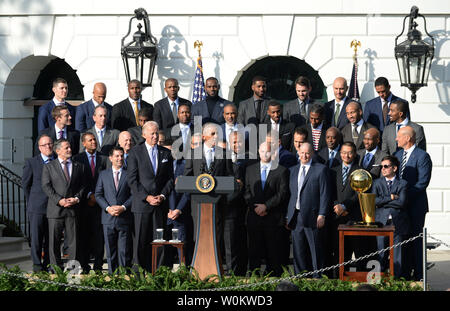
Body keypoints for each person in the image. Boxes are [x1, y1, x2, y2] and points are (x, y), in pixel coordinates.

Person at [127, 121, 174, 273]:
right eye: (152, 133)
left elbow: (170, 179)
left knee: (159, 240)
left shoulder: (165, 153)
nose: (155, 136)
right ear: (144, 135)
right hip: (142, 205)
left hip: (159, 205)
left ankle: (158, 273)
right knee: (141, 240)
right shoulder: (135, 152)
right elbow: (132, 180)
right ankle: (139, 274)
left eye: (156, 133)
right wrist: (147, 197)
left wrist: (161, 195)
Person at [244, 141, 289, 277]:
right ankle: (253, 278)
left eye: (268, 151)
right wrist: (255, 207)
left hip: (273, 218)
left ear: (273, 153)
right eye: (262, 151)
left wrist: (266, 206)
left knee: (273, 252)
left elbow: (282, 193)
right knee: (254, 252)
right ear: (258, 151)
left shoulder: (282, 170)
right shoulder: (250, 169)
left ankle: (272, 279)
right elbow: (246, 192)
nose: (265, 154)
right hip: (254, 217)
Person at [41, 139, 87, 271]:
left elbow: (83, 186)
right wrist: (59, 200)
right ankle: (56, 270)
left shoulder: (79, 166)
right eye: (66, 148)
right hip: (56, 210)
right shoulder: (49, 167)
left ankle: (73, 271)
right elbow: (46, 186)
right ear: (58, 150)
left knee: (74, 242)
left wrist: (77, 198)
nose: (69, 150)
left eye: (70, 147)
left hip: (73, 210)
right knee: (54, 242)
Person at [286, 142, 330, 277]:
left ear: (312, 154)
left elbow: (325, 194)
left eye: (307, 153)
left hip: (313, 216)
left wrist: (322, 214)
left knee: (315, 250)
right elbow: (290, 195)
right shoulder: (292, 170)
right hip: (296, 216)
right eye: (302, 152)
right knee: (298, 251)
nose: (304, 155)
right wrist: (288, 216)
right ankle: (300, 278)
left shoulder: (320, 169)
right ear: (298, 153)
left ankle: (318, 279)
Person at [394, 126, 432, 281]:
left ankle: (418, 276)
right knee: (402, 240)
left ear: (407, 138)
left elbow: (422, 183)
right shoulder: (397, 155)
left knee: (415, 240)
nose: (396, 139)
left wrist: (402, 196)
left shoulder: (422, 156)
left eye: (399, 136)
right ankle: (403, 273)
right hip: (400, 208)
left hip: (415, 206)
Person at [328, 142, 366, 276]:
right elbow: (329, 192)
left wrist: (345, 206)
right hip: (336, 217)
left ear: (355, 154)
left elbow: (360, 193)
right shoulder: (333, 170)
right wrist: (337, 206)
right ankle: (338, 280)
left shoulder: (360, 171)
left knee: (356, 250)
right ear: (340, 154)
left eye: (349, 152)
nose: (346, 155)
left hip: (353, 217)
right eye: (344, 152)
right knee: (338, 251)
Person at [73, 132, 108, 273]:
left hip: (100, 204)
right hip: (84, 204)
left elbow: (107, 179)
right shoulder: (77, 159)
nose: (93, 142)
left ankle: (99, 266)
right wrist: (88, 195)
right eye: (90, 140)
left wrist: (97, 196)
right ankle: (85, 265)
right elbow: (77, 181)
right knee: (84, 236)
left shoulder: (104, 159)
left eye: (94, 139)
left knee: (99, 237)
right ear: (84, 143)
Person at [95, 146, 133, 274]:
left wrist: (123, 207)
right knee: (110, 251)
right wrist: (108, 208)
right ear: (110, 158)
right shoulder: (103, 174)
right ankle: (112, 277)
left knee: (124, 250)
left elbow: (134, 195)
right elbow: (98, 194)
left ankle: (125, 277)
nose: (120, 158)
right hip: (108, 218)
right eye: (117, 156)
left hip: (124, 217)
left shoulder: (129, 174)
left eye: (121, 156)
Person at [371, 155, 409, 278]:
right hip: (381, 221)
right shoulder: (376, 183)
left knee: (397, 253)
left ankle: (396, 279)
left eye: (386, 166)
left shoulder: (403, 183)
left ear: (394, 168)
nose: (383, 169)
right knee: (381, 251)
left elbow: (402, 202)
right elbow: (374, 201)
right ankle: (380, 278)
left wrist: (383, 201)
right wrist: (391, 197)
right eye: (382, 166)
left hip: (397, 221)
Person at [22, 134, 54, 272]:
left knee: (51, 238)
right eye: (45, 145)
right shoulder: (32, 162)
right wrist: (32, 202)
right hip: (37, 207)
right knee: (36, 237)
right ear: (39, 148)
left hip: (53, 207)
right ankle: (36, 264)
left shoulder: (57, 161)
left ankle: (48, 263)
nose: (48, 147)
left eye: (50, 144)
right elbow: (26, 185)